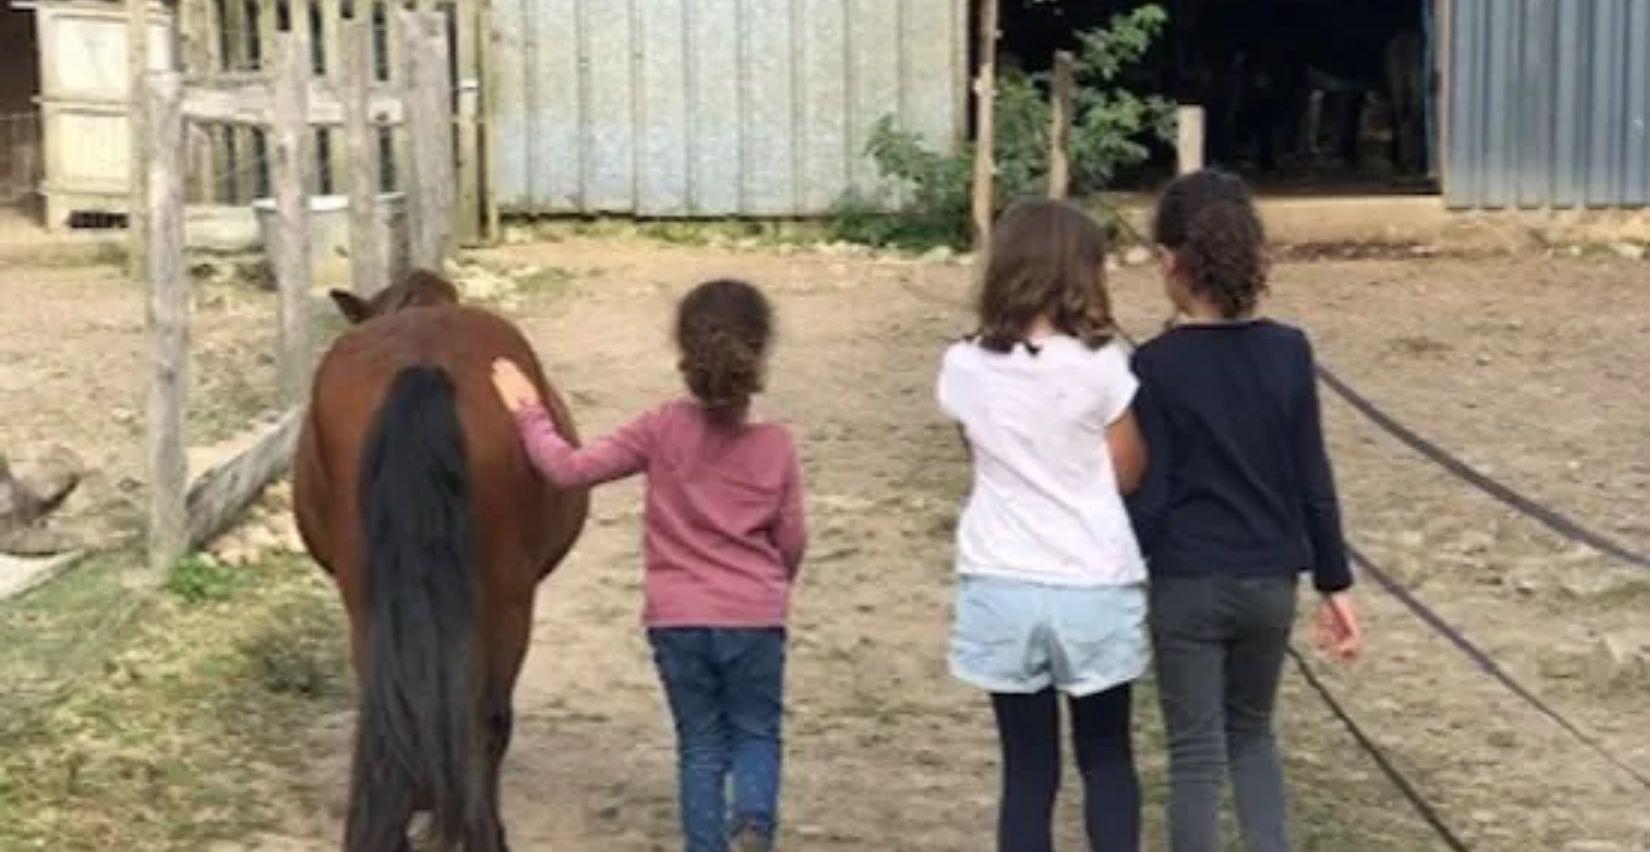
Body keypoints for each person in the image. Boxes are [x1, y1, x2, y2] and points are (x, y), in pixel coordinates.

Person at [491, 278, 807, 852]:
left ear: (684, 351)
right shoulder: (777, 446)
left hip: (677, 619)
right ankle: (753, 825)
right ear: (760, 352)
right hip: (755, 617)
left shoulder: (660, 428)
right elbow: (791, 540)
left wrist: (528, 411)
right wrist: (772, 585)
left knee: (701, 745)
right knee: (757, 732)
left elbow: (566, 470)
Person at [1127, 168, 1363, 852]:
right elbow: (1312, 477)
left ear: (1171, 264)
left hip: (1186, 582)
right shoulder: (1290, 353)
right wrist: (1335, 582)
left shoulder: (1155, 364)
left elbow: (1155, 488)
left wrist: (1118, 565)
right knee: (1253, 735)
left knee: (1195, 757)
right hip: (1269, 584)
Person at [936, 199, 1150, 852]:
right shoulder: (1103, 364)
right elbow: (1128, 472)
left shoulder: (964, 365)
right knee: (1107, 756)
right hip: (1091, 578)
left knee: (1027, 770)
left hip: (1001, 576)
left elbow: (976, 449)